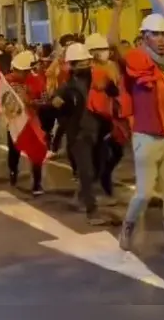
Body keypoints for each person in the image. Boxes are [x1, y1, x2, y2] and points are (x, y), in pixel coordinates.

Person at [108, 4, 164, 267]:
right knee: (143, 193)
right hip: (146, 136)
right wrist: (118, 11)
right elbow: (112, 43)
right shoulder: (135, 59)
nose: (162, 39)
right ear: (144, 37)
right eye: (155, 34)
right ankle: (128, 225)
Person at [50, 43, 117, 225]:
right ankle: (92, 211)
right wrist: (55, 103)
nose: (84, 65)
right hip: (79, 135)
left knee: (97, 168)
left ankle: (82, 196)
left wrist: (110, 84)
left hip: (99, 132)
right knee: (86, 171)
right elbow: (55, 106)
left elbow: (115, 93)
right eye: (78, 62)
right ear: (71, 65)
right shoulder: (67, 87)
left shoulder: (100, 78)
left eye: (85, 61)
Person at [83, 33, 130, 204]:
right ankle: (97, 189)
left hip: (114, 116)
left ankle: (102, 179)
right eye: (99, 50)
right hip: (95, 117)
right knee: (99, 154)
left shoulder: (113, 66)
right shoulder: (88, 70)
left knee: (117, 152)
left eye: (105, 49)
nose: (104, 52)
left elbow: (117, 88)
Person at [7, 50, 46, 195]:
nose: (21, 74)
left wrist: (31, 102)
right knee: (14, 150)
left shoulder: (37, 80)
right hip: (14, 121)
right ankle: (13, 172)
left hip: (32, 121)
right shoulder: (7, 81)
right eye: (18, 71)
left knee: (37, 151)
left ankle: (37, 183)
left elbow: (44, 100)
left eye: (24, 71)